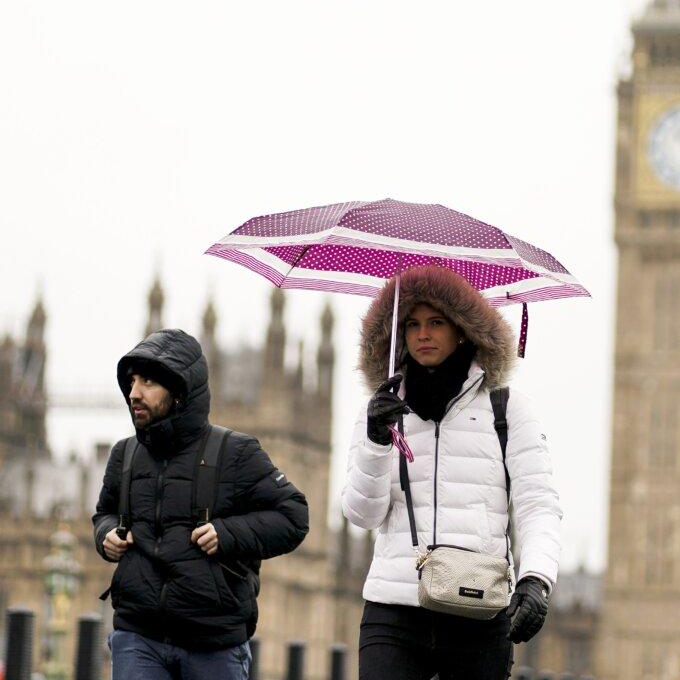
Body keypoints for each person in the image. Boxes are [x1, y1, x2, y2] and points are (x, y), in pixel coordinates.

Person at [343, 266, 562, 680]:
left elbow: (538, 504)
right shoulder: (381, 411)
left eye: (436, 322)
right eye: (412, 324)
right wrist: (375, 442)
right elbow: (362, 515)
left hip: (477, 608)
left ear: (462, 329)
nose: (422, 334)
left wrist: (536, 578)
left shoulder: (506, 408)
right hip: (394, 608)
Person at [92, 329, 309, 680]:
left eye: (148, 382)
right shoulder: (125, 454)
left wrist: (227, 533)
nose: (134, 393)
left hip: (213, 642)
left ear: (179, 391)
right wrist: (105, 534)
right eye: (131, 382)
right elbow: (104, 513)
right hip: (138, 635)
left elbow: (293, 516)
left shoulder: (235, 452)